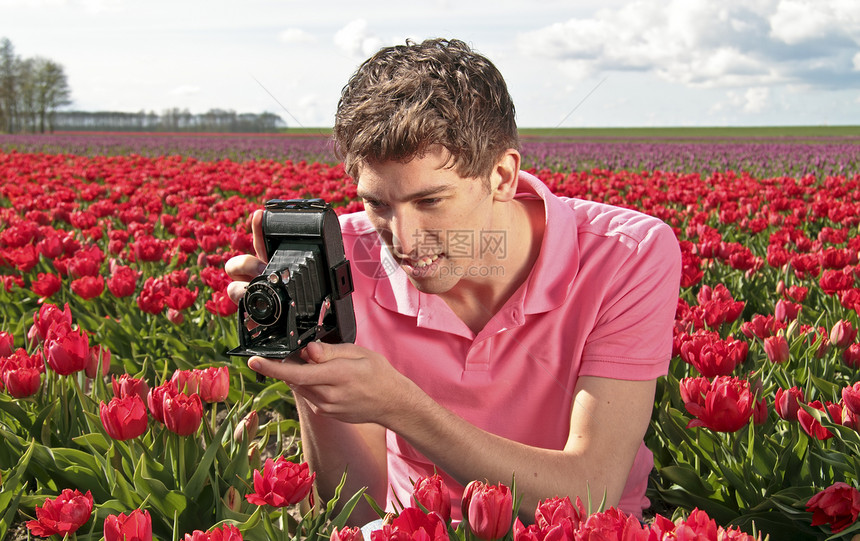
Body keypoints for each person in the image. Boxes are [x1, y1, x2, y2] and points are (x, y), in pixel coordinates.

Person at [225, 38, 681, 525]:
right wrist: (308, 357)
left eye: (430, 201)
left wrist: (403, 408)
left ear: (502, 176)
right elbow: (355, 508)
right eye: (378, 203)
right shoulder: (344, 259)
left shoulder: (626, 253)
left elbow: (593, 493)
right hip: (415, 530)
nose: (402, 240)